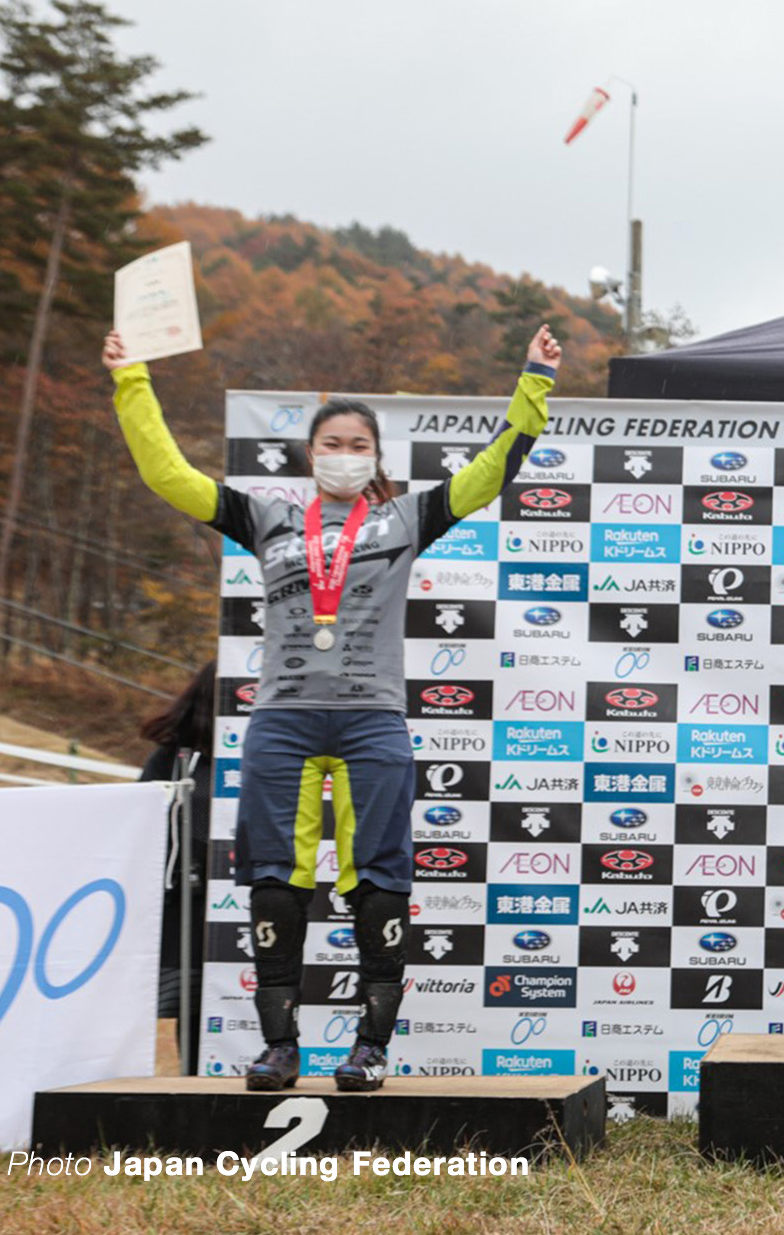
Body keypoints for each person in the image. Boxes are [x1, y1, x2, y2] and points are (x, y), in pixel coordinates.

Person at [105, 324, 562, 1090]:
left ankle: (371, 1048)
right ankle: (280, 1046)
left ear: (375, 456)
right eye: (331, 441)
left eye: (358, 442)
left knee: (381, 879)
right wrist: (132, 381)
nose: (344, 452)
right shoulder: (266, 521)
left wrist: (534, 380)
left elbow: (493, 470)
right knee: (274, 882)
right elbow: (167, 474)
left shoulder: (405, 521)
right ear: (310, 454)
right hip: (282, 720)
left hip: (372, 720)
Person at [139, 659, 216, 1039]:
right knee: (195, 1011)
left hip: (259, 896)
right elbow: (144, 822)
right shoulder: (173, 758)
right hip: (188, 903)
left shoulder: (275, 755)